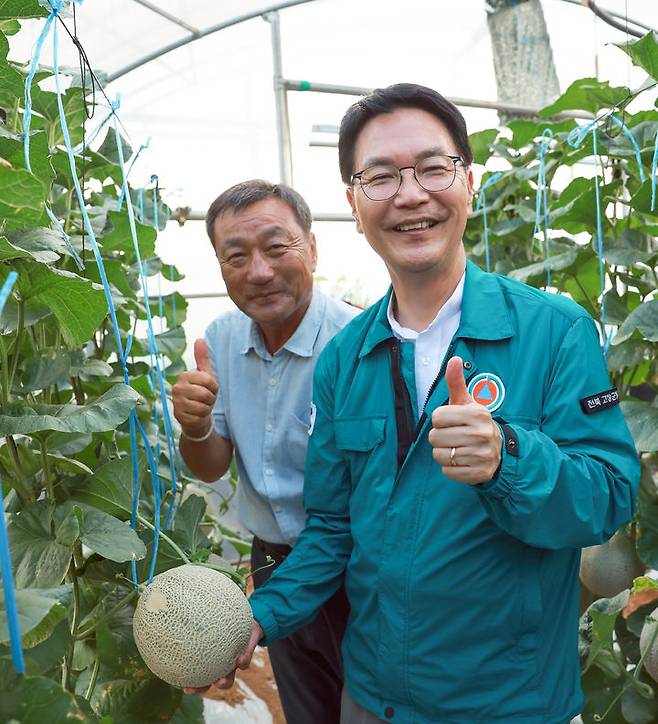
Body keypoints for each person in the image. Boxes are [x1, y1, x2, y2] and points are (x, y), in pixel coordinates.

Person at [212, 84, 640, 723]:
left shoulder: (553, 331)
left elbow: (607, 497)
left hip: (511, 705)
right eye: (379, 178)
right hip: (372, 699)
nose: (410, 195)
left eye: (434, 169)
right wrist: (259, 618)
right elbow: (332, 527)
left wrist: (508, 458)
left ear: (469, 183)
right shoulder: (346, 357)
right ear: (354, 208)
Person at [172, 179, 358, 723]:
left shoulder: (358, 341)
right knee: (307, 705)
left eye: (278, 248)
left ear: (313, 248)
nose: (258, 270)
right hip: (273, 560)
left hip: (357, 565)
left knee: (370, 705)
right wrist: (196, 425)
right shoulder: (222, 338)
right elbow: (211, 463)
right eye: (236, 256)